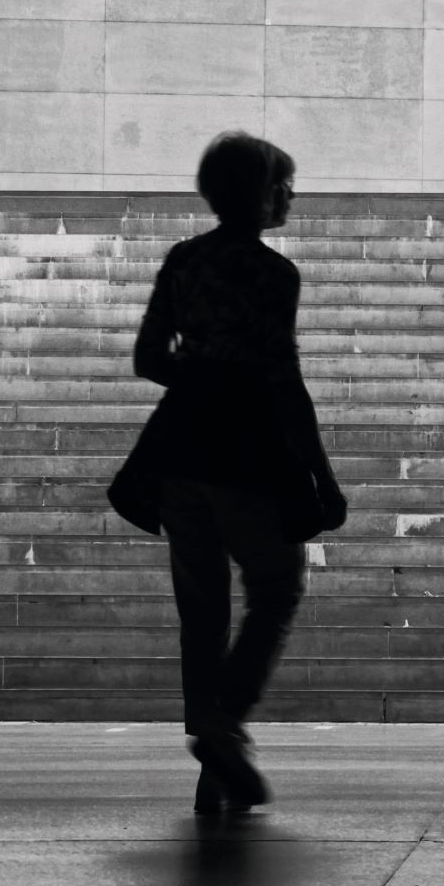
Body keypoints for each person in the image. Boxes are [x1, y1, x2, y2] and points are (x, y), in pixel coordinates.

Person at [120, 131, 346, 815]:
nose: (290, 196)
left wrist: (201, 371)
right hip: (248, 452)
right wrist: (323, 477)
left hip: (180, 449)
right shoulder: (274, 277)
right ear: (259, 192)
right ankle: (226, 723)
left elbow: (148, 356)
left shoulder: (184, 261)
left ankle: (211, 757)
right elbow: (285, 384)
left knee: (203, 609)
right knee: (276, 588)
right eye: (283, 184)